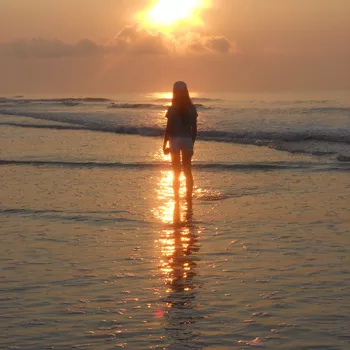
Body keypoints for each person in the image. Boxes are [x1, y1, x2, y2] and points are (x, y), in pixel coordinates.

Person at [163, 81, 198, 201]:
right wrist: (191, 143)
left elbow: (168, 129)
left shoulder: (172, 108)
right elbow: (194, 130)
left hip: (175, 140)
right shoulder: (192, 108)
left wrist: (165, 144)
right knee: (187, 169)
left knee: (176, 171)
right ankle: (189, 196)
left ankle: (177, 197)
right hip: (187, 140)